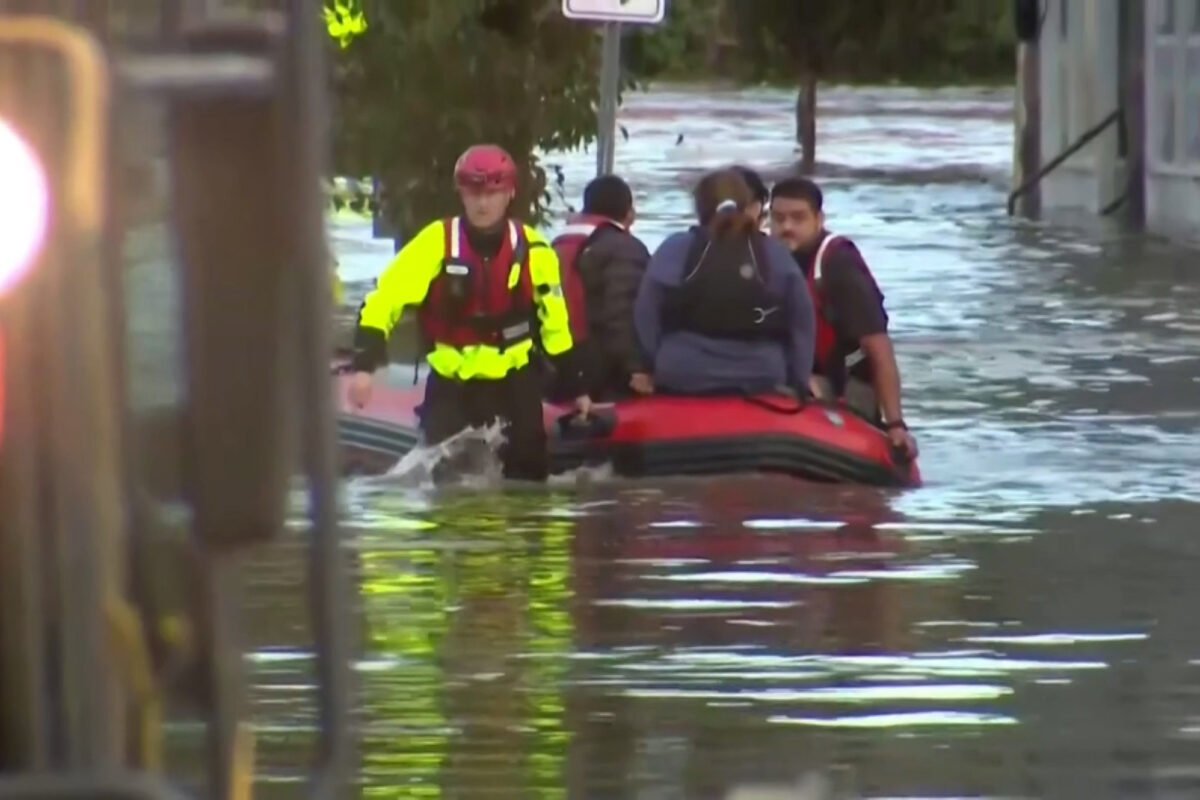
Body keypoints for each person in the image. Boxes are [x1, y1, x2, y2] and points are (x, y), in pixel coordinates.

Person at [345, 144, 592, 481]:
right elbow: (384, 302)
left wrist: (578, 387)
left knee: (529, 481)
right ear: (461, 193)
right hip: (452, 385)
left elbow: (556, 327)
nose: (482, 202)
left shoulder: (535, 251)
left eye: (492, 193)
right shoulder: (435, 243)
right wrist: (364, 367)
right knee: (442, 483)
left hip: (514, 384)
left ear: (510, 194)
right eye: (474, 192)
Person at [768, 176, 918, 459]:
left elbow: (878, 345)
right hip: (790, 379)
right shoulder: (766, 259)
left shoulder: (838, 263)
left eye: (798, 218)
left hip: (845, 377)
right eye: (778, 218)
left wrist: (895, 423)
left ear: (819, 219)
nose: (787, 227)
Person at [633, 168, 815, 396]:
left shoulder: (676, 248)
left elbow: (646, 314)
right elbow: (802, 323)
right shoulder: (774, 253)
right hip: (762, 373)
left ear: (699, 207)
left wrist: (652, 364)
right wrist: (798, 380)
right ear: (747, 205)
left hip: (682, 371)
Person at [549, 174, 653, 399]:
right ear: (629, 214)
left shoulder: (557, 244)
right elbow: (621, 314)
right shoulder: (625, 248)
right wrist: (635, 368)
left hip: (556, 365)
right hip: (600, 371)